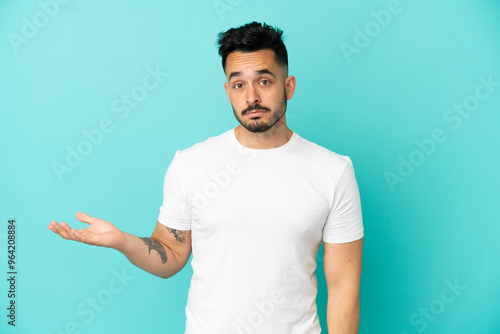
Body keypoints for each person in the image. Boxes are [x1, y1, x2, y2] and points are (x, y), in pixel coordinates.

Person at [48, 21, 364, 333]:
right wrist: (122, 241)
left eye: (264, 81)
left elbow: (343, 289)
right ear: (228, 91)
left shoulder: (332, 171)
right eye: (239, 84)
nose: (251, 97)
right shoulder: (191, 164)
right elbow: (170, 254)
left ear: (289, 86)